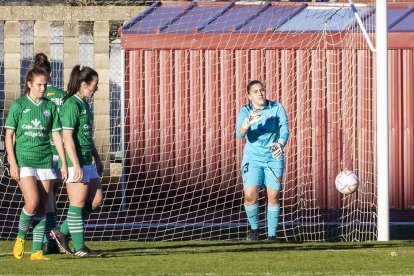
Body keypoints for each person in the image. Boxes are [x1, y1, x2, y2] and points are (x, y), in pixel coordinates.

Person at [5, 65, 67, 260]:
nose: (43, 88)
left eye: (45, 84)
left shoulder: (49, 106)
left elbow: (56, 135)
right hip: (24, 160)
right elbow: (9, 136)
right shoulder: (19, 105)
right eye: (39, 85)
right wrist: (12, 163)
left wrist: (63, 162)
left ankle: (37, 251)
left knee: (42, 206)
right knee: (32, 202)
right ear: (29, 84)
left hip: (45, 160)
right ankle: (21, 238)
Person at [50, 65, 103, 258]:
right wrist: (75, 164)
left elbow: (86, 135)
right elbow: (67, 137)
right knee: (77, 203)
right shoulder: (71, 104)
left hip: (87, 161)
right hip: (75, 162)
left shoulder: (84, 104)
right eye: (94, 84)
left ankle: (62, 232)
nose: (96, 88)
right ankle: (80, 248)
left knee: (96, 200)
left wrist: (96, 157)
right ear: (83, 84)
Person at [235, 80, 289, 241]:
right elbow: (239, 134)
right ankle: (254, 230)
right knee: (250, 195)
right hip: (253, 158)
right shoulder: (245, 111)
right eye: (256, 91)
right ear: (249, 96)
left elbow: (285, 129)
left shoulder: (277, 107)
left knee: (273, 196)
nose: (260, 93)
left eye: (262, 90)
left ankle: (272, 235)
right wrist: (246, 124)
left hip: (273, 158)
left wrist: (280, 143)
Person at [32, 53, 67, 255]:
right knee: (50, 196)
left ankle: (48, 240)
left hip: (42, 152)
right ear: (51, 73)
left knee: (46, 198)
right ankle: (52, 239)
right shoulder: (62, 95)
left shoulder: (35, 95)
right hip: (59, 150)